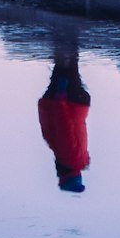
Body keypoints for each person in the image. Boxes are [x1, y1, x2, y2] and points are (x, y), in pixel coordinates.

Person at [37, 34, 91, 192]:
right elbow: (64, 126)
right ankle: (66, 32)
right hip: (67, 103)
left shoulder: (79, 160)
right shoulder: (68, 157)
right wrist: (60, 98)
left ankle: (67, 36)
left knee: (68, 64)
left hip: (77, 106)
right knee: (65, 64)